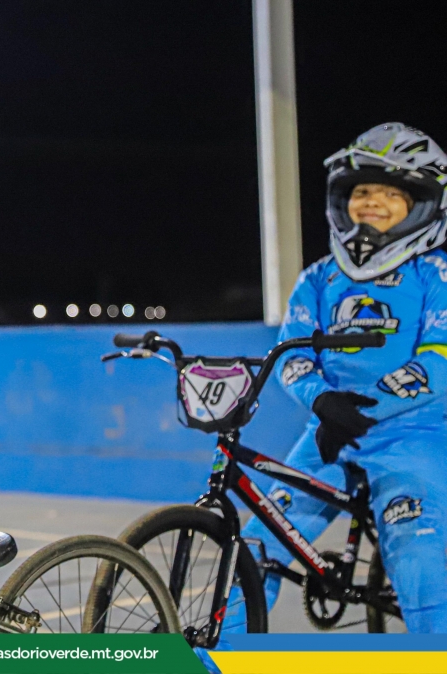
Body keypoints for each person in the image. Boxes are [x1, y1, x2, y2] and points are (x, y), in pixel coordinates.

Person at [226, 122, 447, 634]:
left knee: (417, 558)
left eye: (390, 193)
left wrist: (360, 408)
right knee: (254, 549)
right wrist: (323, 402)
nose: (371, 202)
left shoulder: (435, 274)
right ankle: (217, 659)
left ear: (420, 204)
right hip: (327, 434)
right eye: (362, 191)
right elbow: (291, 356)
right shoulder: (317, 278)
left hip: (412, 436)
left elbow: (439, 360)